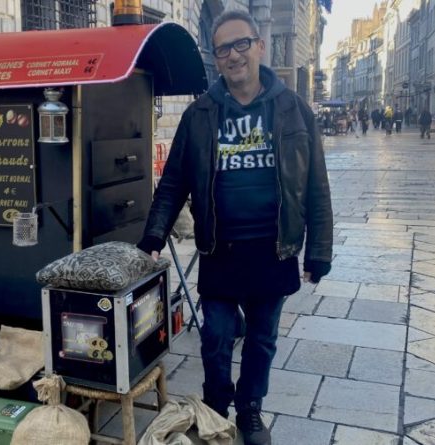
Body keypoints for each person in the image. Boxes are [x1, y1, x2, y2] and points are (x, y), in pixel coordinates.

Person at [136, 9, 333, 445]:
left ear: (259, 46)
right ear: (217, 56)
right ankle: (215, 407)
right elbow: (173, 182)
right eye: (223, 48)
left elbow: (316, 185)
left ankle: (249, 409)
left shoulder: (294, 110)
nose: (233, 55)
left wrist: (319, 251)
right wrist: (153, 236)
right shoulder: (200, 114)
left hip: (272, 249)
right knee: (216, 337)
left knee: (262, 339)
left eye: (241, 43)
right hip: (221, 250)